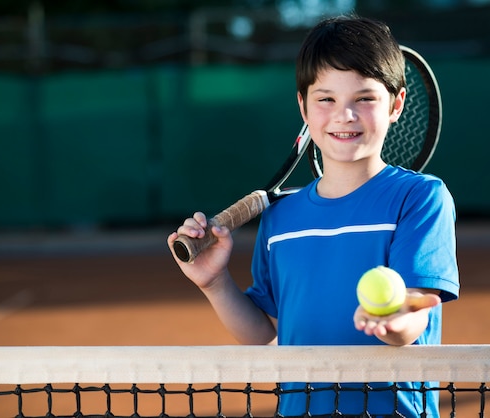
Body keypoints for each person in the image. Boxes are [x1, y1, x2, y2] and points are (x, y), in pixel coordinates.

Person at [168, 15, 459, 417]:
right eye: (327, 99)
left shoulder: (420, 198)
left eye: (365, 98)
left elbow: (417, 312)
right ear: (303, 106)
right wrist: (215, 282)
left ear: (397, 104)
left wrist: (390, 323)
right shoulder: (281, 218)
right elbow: (264, 333)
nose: (345, 115)